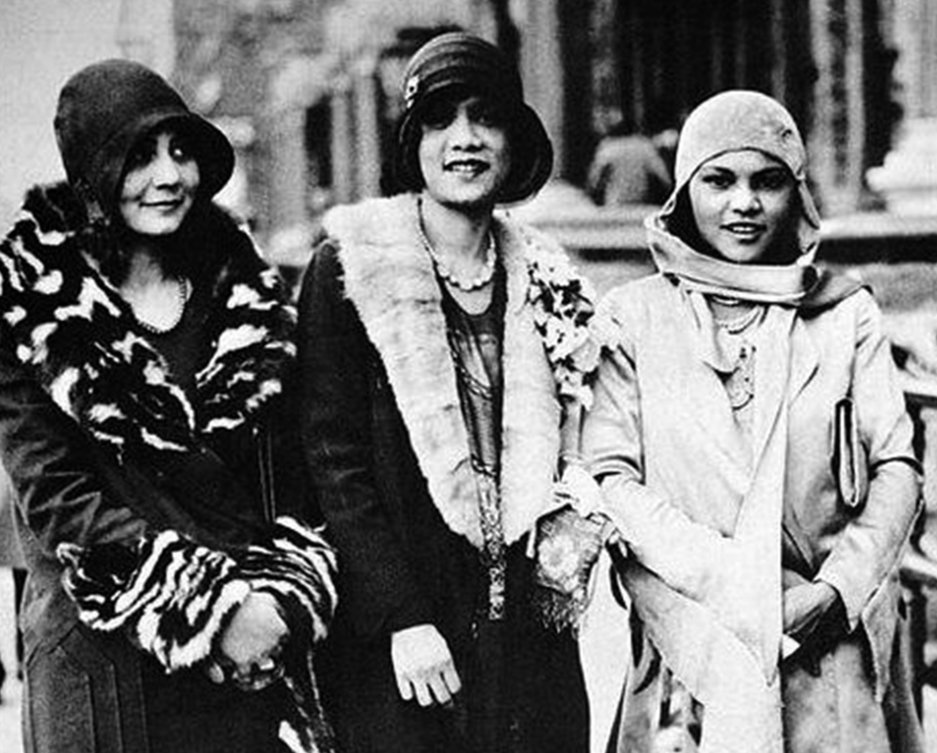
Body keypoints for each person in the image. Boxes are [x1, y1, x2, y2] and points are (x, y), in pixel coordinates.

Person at [0, 59, 337, 753]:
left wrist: (276, 600)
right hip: (101, 662)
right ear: (93, 172)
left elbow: (292, 475)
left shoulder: (243, 295)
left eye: (181, 150)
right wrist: (210, 605)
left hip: (240, 669)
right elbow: (59, 499)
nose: (169, 177)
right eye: (139, 156)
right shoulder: (34, 311)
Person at [580, 90, 924, 753]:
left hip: (828, 643)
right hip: (691, 634)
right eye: (719, 180)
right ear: (684, 192)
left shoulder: (842, 313)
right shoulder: (634, 317)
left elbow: (895, 465)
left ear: (795, 194)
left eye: (766, 182)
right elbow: (609, 474)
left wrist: (836, 589)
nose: (744, 203)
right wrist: (735, 587)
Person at [298, 31, 598, 753]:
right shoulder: (350, 271)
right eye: (439, 120)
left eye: (484, 117)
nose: (463, 140)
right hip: (406, 640)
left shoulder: (547, 277)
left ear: (513, 137)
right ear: (413, 141)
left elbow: (587, 441)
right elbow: (332, 461)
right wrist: (399, 615)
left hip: (527, 637)